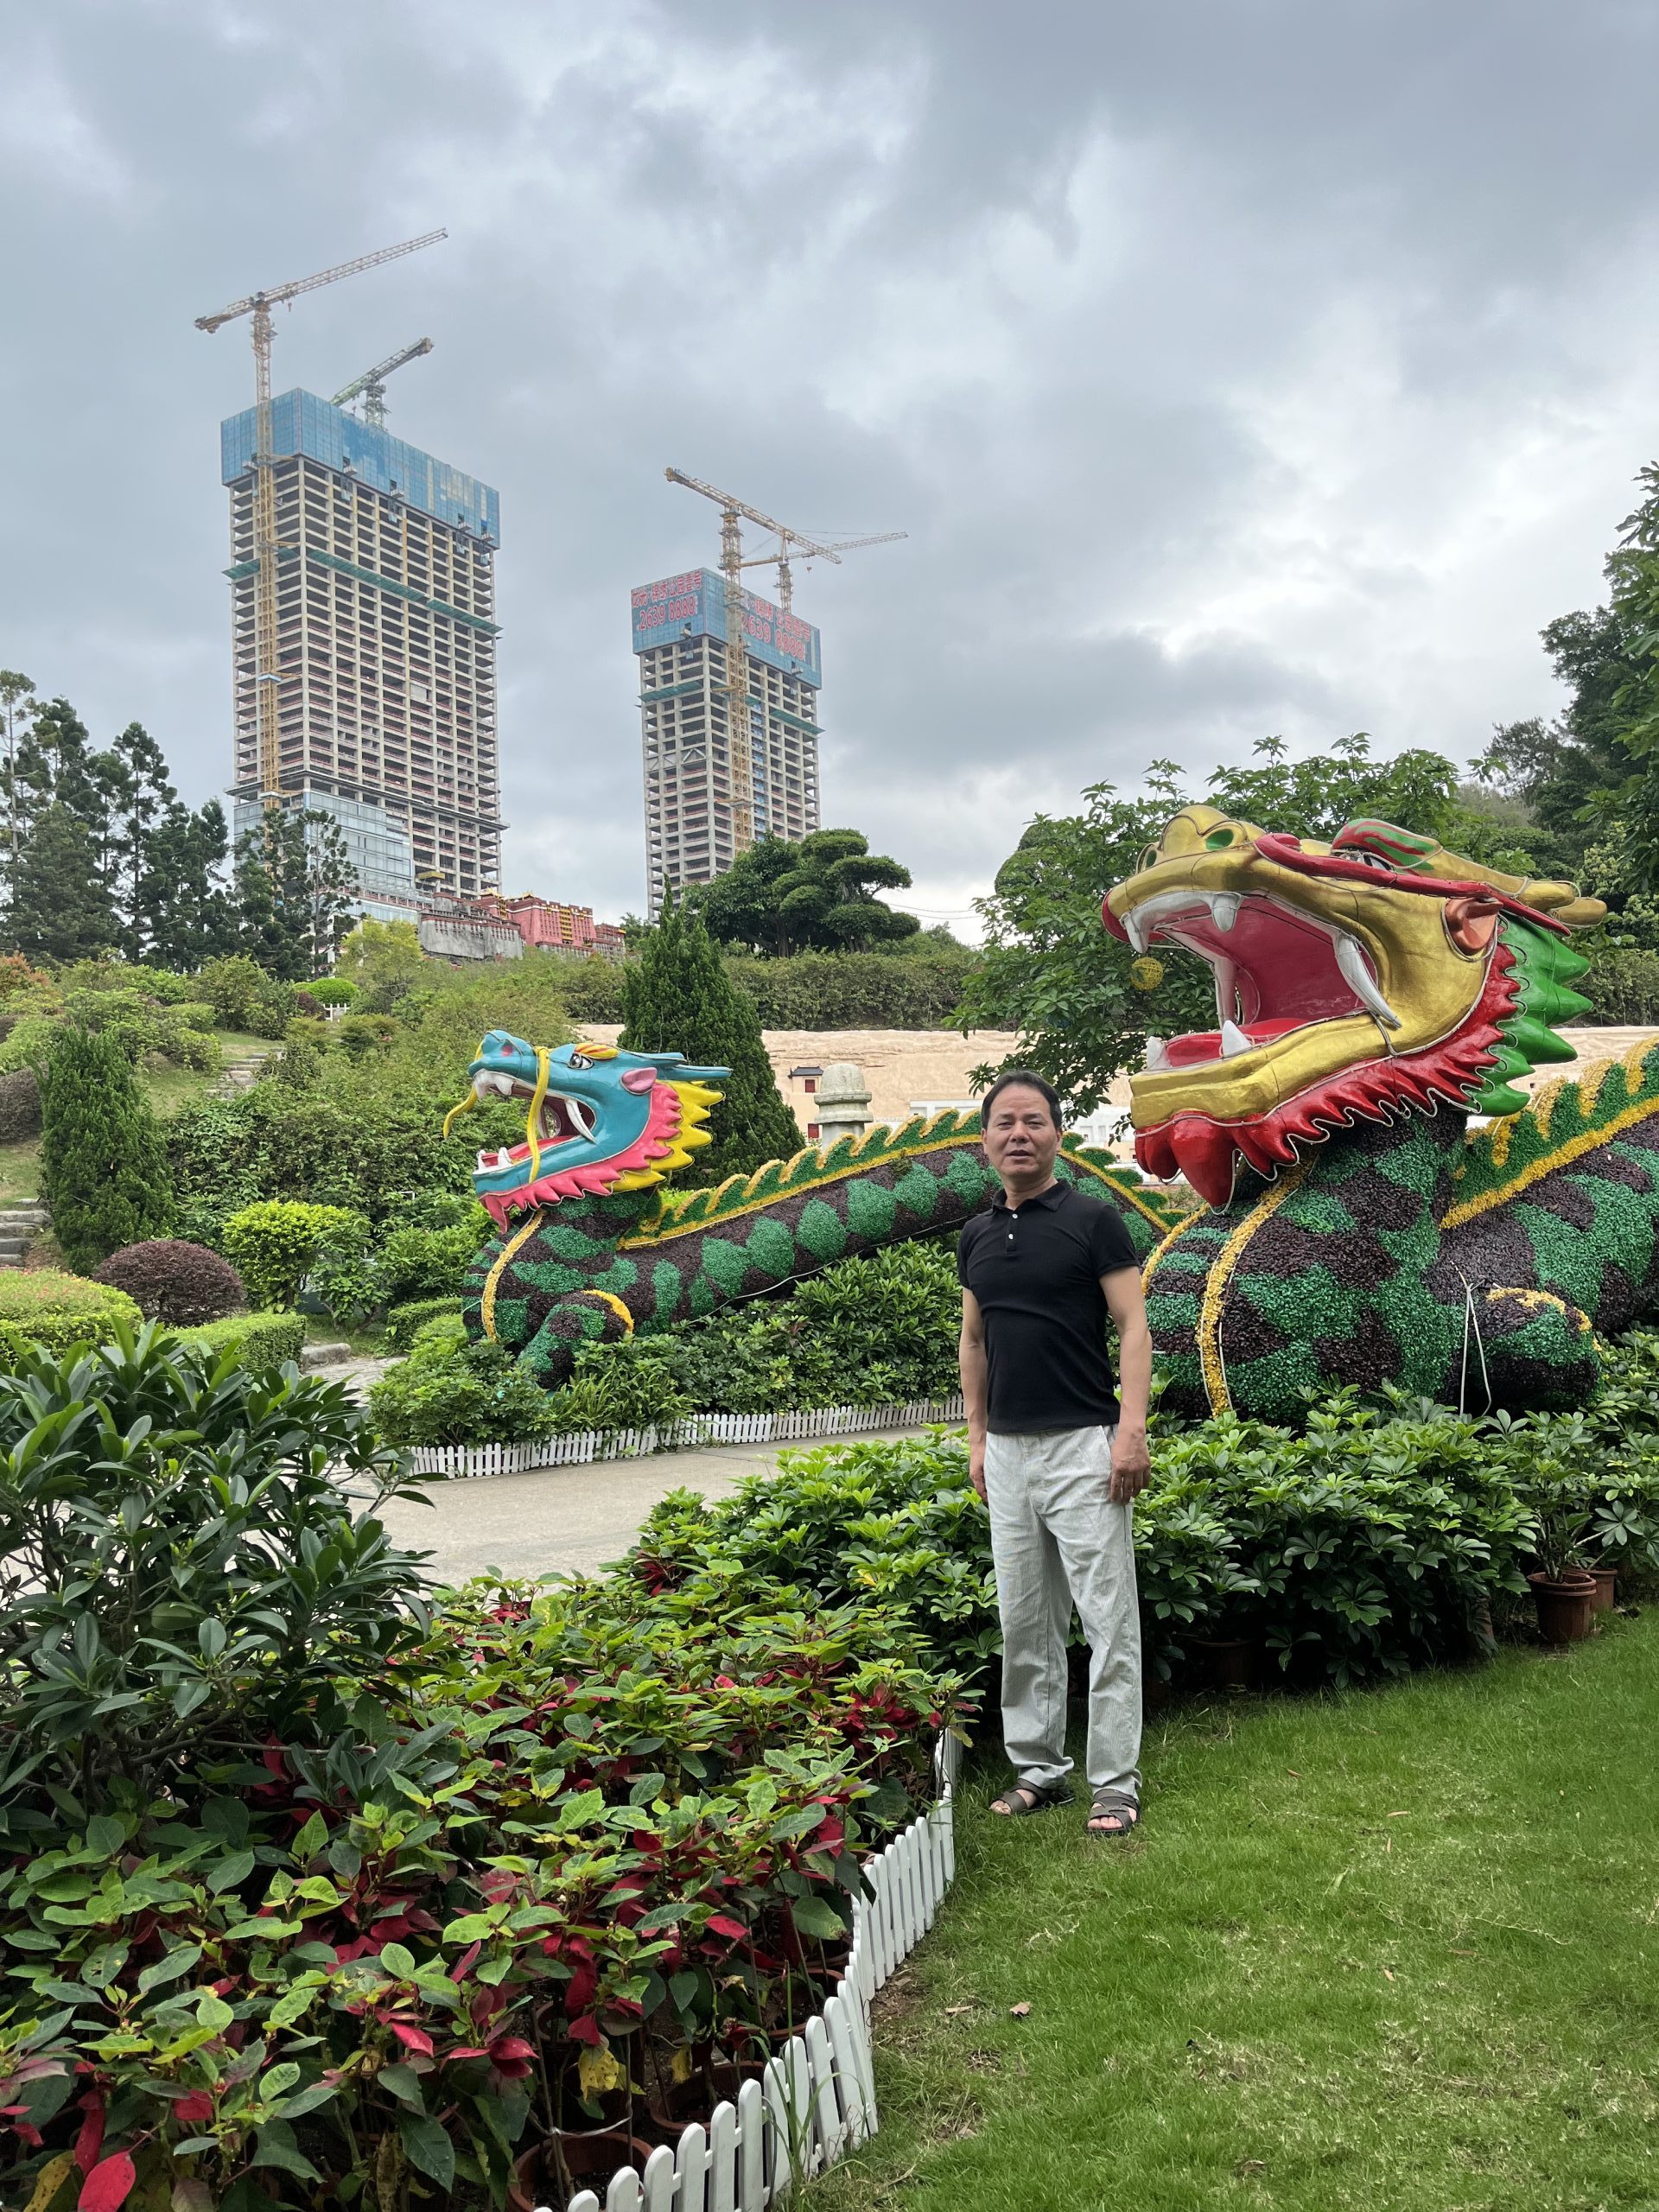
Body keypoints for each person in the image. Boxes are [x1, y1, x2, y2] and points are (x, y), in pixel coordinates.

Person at [957, 1068, 1153, 1838]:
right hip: (1007, 1455)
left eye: (1033, 1121)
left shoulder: (1094, 1220)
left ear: (1057, 1135)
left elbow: (1133, 1327)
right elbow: (974, 1341)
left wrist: (1130, 1429)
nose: (1019, 1135)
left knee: (1108, 1623)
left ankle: (1115, 1785)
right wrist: (977, 1437)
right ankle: (1039, 1769)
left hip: (1082, 1447)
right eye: (1004, 1123)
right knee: (1025, 1622)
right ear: (984, 1139)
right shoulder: (976, 1235)